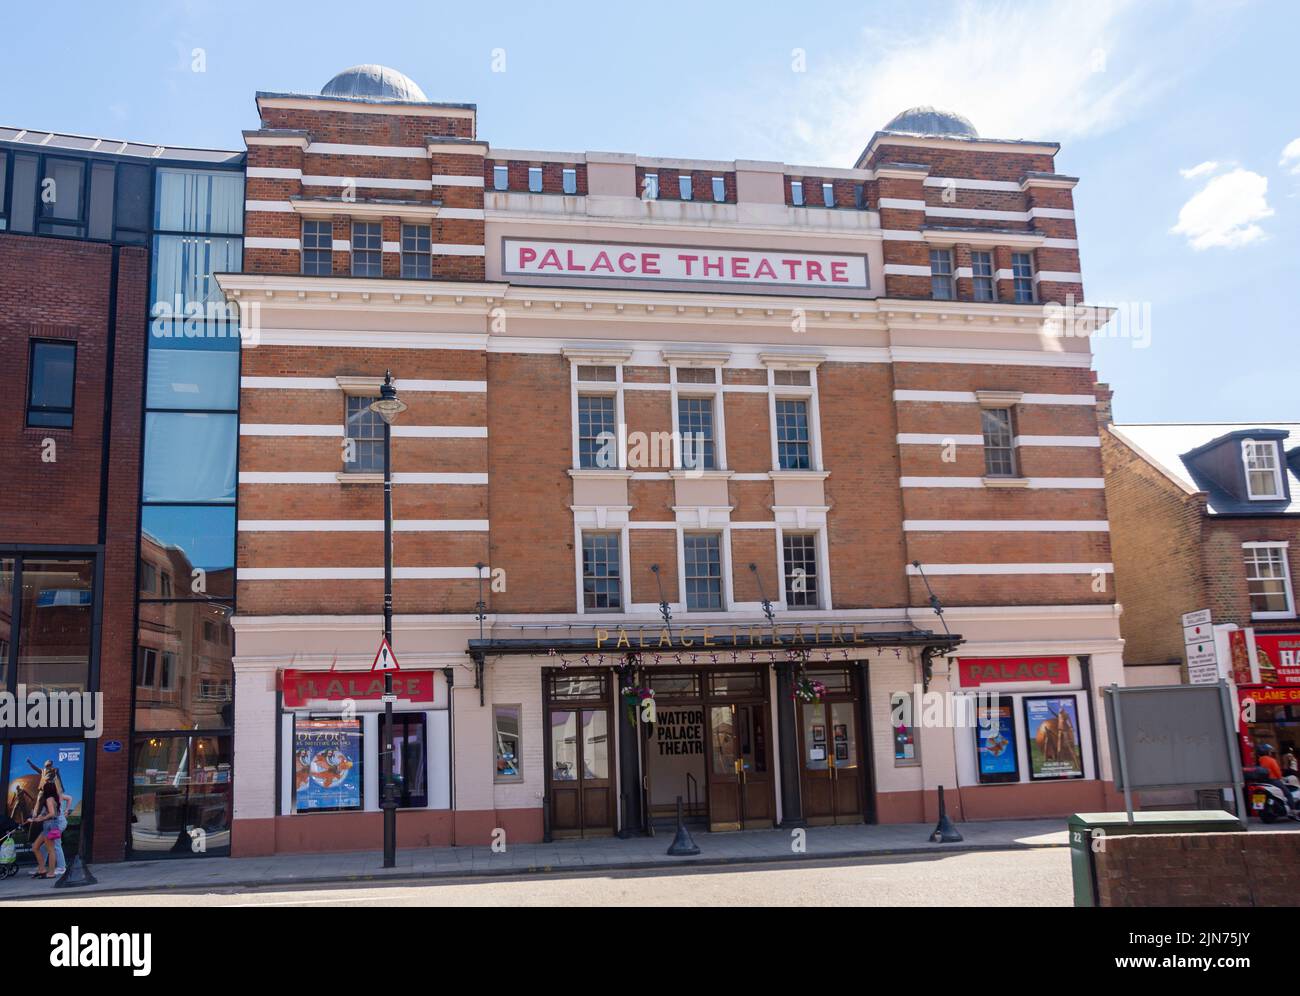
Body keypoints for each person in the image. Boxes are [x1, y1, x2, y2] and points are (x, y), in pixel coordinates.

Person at [25, 781, 61, 880]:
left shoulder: (49, 799)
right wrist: (36, 818)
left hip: (49, 826)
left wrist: (41, 819)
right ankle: (42, 870)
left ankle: (51, 873)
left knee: (51, 850)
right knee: (35, 847)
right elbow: (51, 813)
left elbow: (52, 814)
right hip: (49, 825)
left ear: (47, 790)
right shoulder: (53, 799)